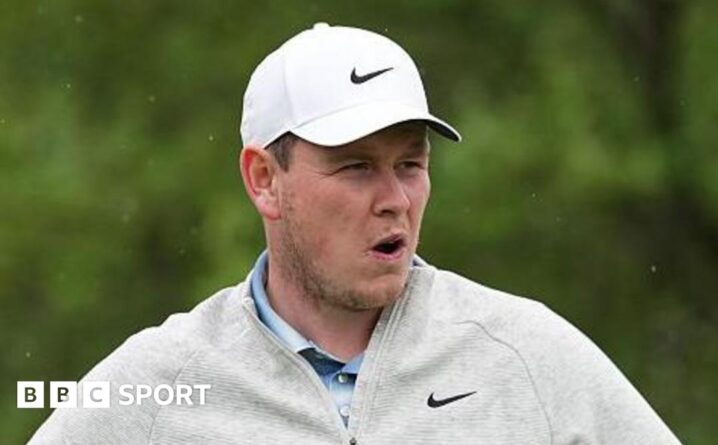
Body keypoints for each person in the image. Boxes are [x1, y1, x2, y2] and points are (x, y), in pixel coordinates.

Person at [30, 23, 681, 444]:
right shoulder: (153, 384)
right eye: (355, 167)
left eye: (410, 164)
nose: (394, 199)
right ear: (264, 179)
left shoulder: (532, 357)